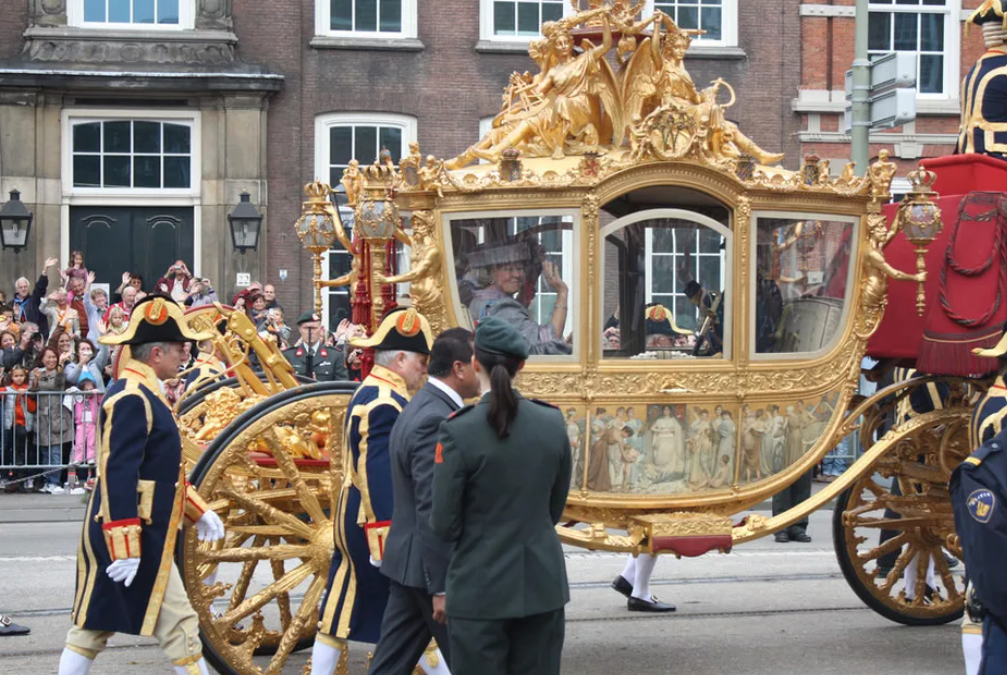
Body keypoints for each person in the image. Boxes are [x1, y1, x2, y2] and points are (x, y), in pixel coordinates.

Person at [58, 295, 224, 675]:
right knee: (179, 628)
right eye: (179, 349)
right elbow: (118, 473)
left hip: (138, 532)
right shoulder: (132, 395)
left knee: (92, 627)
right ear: (155, 355)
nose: (185, 355)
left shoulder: (143, 392)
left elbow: (161, 470)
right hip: (135, 535)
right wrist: (126, 545)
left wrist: (198, 512)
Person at [431, 316, 572, 675]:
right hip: (540, 584)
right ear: (521, 365)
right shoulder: (551, 422)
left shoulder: (458, 429)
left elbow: (444, 523)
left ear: (474, 362)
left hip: (479, 589)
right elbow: (553, 509)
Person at [311, 308, 433, 675]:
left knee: (338, 608)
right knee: (414, 612)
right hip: (373, 520)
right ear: (400, 359)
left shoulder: (373, 390)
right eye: (421, 362)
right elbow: (377, 474)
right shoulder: (385, 402)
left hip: (354, 514)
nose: (423, 370)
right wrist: (385, 534)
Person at [369, 328, 480, 675]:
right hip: (431, 571)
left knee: (389, 666)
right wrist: (443, 586)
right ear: (459, 369)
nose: (483, 372)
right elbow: (433, 507)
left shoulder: (424, 404)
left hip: (410, 566)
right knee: (477, 663)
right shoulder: (436, 417)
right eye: (478, 364)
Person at [466, 245, 571, 356]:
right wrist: (562, 292)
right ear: (492, 272)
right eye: (508, 269)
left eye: (520, 268)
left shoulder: (481, 299)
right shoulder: (502, 307)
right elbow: (548, 343)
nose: (516, 274)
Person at [772, 400, 816, 543]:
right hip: (785, 445)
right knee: (782, 485)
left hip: (803, 443)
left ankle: (798, 526)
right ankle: (781, 526)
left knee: (802, 483)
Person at [31, 346, 73, 494]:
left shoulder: (59, 372)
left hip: (56, 415)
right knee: (45, 452)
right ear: (42, 358)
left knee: (55, 451)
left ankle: (55, 482)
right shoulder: (37, 372)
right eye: (48, 357)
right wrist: (35, 381)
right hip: (41, 415)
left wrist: (61, 364)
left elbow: (56, 385)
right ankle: (47, 481)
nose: (51, 360)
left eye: (54, 357)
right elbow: (32, 392)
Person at [283, 312, 347, 381]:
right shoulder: (288, 356)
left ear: (320, 329)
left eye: (314, 328)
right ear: (300, 329)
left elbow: (342, 386)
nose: (310, 332)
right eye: (306, 328)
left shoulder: (335, 356)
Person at [12, 256, 59, 336]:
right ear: (17, 290)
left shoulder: (34, 300)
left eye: (25, 286)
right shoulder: (11, 304)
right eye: (21, 287)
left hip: (36, 336)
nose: (23, 289)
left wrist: (45, 270)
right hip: (19, 336)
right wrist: (15, 315)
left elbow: (40, 288)